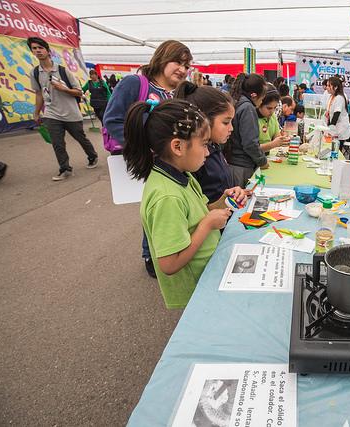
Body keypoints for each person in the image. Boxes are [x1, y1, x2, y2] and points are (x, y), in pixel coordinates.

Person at [123, 99, 232, 309]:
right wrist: (207, 225)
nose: (208, 152)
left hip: (207, 274)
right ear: (178, 146)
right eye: (204, 144)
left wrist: (222, 201)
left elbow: (198, 214)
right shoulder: (167, 197)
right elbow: (169, 264)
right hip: (195, 288)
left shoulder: (183, 175)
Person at [104, 39, 193, 278]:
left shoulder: (173, 93)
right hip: (146, 161)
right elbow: (112, 119)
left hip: (167, 162)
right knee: (153, 207)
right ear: (162, 58)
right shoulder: (135, 83)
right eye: (178, 62)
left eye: (187, 66)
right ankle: (150, 255)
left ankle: (166, 251)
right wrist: (144, 148)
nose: (183, 70)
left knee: (162, 209)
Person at [28, 37, 99, 181]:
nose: (37, 51)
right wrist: (36, 112)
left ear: (47, 51)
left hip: (71, 113)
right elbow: (39, 94)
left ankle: (92, 156)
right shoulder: (35, 73)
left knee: (81, 138)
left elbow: (79, 92)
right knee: (57, 143)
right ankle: (65, 168)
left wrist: (63, 88)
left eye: (40, 48)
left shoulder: (63, 71)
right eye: (34, 48)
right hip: (51, 113)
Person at [174, 82, 248, 207]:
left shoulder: (214, 146)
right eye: (226, 122)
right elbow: (196, 211)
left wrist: (232, 195)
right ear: (205, 120)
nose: (231, 128)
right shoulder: (193, 158)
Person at [225, 73, 268, 187]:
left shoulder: (237, 101)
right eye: (262, 98)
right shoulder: (247, 108)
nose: (262, 101)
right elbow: (250, 143)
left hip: (233, 163)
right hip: (241, 166)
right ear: (254, 95)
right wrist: (262, 161)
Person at [257, 85, 290, 153]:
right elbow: (252, 149)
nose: (272, 112)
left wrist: (284, 140)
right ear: (259, 103)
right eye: (269, 108)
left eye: (275, 108)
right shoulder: (252, 118)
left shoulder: (273, 117)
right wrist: (272, 144)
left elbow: (277, 137)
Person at [324, 76, 350, 149]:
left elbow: (336, 114)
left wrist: (330, 130)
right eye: (327, 85)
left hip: (340, 129)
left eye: (329, 85)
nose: (327, 87)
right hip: (334, 128)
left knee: (336, 150)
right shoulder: (331, 97)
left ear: (335, 87)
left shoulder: (339, 98)